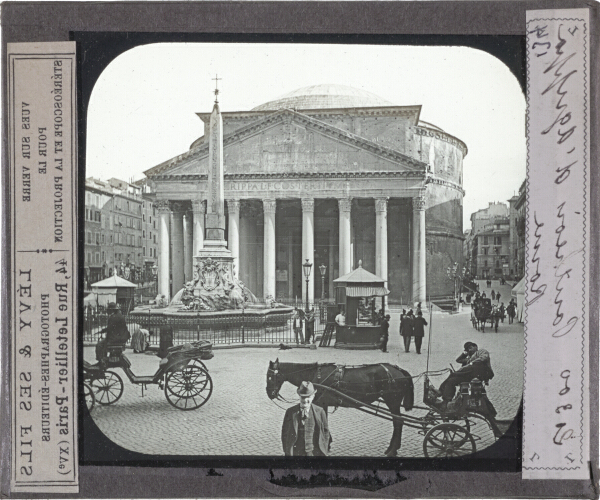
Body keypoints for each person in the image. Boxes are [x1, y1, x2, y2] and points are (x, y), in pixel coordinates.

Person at [281, 381, 332, 456]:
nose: (305, 400)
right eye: (303, 397)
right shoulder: (290, 412)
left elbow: (326, 432)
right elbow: (284, 433)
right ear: (299, 396)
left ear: (313, 397)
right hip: (296, 453)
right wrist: (287, 450)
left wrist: (323, 448)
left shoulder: (320, 412)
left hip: (314, 453)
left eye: (308, 397)